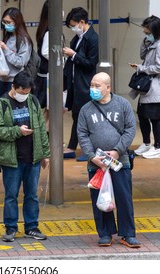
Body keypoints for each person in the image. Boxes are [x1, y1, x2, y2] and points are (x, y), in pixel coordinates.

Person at [78, 72, 141, 248]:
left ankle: (128, 234)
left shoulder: (123, 105)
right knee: (100, 199)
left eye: (97, 86)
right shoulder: (86, 109)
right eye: (91, 85)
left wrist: (116, 151)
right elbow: (82, 135)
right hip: (96, 163)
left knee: (124, 198)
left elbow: (130, 129)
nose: (93, 89)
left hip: (119, 161)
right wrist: (91, 156)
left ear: (108, 87)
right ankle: (105, 234)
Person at [0, 71, 50, 242]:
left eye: (27, 92)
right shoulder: (1, 104)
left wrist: (45, 154)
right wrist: (18, 131)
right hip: (12, 159)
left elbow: (41, 129)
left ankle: (31, 227)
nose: (25, 95)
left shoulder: (33, 101)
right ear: (13, 87)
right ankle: (10, 228)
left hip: (33, 157)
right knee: (11, 195)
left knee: (31, 194)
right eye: (22, 92)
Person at [0, 7, 33, 161]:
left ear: (17, 22)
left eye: (9, 22)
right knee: (1, 114)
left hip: (14, 82)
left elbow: (21, 62)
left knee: (10, 116)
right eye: (4, 22)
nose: (6, 25)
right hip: (4, 80)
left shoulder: (23, 40)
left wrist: (5, 50)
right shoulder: (8, 37)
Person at [129, 16, 160, 159]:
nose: (146, 34)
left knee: (154, 118)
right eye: (145, 32)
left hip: (157, 86)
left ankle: (158, 147)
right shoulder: (153, 42)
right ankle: (146, 143)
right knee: (142, 115)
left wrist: (142, 68)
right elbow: (142, 55)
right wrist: (146, 40)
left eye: (148, 33)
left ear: (156, 31)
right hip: (148, 86)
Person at [62, 7, 98, 161]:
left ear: (82, 22)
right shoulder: (78, 38)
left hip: (85, 84)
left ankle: (86, 149)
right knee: (77, 115)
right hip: (75, 83)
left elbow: (91, 63)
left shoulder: (93, 38)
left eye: (74, 25)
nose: (73, 29)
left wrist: (74, 55)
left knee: (85, 117)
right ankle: (72, 146)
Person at [33, 0, 50, 133]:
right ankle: (43, 138)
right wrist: (61, 59)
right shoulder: (50, 31)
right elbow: (46, 52)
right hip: (47, 76)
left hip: (43, 75)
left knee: (47, 110)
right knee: (49, 110)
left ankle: (46, 138)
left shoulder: (43, 28)